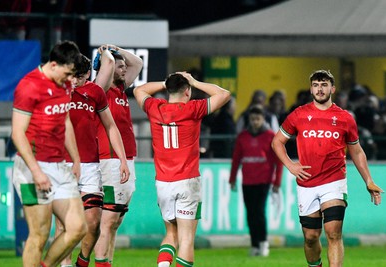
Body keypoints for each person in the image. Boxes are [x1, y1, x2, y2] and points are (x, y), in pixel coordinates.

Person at [271, 69, 384, 267]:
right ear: (311, 89)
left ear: (332, 88)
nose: (320, 89)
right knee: (311, 237)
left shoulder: (345, 118)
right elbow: (277, 142)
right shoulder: (299, 114)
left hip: (334, 182)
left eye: (324, 85)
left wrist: (369, 180)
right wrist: (290, 165)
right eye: (316, 85)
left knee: (333, 232)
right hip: (306, 183)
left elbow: (357, 151)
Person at [133, 72, 231, 267]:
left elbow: (138, 89)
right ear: (187, 91)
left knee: (171, 233)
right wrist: (195, 82)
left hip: (163, 182)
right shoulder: (193, 109)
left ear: (169, 89)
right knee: (186, 239)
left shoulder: (155, 108)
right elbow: (224, 94)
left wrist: (165, 82)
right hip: (187, 181)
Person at [11, 40, 87, 267]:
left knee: (77, 229)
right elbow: (17, 133)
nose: (70, 79)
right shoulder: (29, 86)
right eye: (67, 73)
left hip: (59, 165)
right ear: (53, 64)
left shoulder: (64, 85)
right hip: (31, 168)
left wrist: (76, 158)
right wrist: (36, 172)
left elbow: (65, 121)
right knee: (39, 235)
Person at [54, 47, 130, 267]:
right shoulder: (58, 90)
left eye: (79, 76)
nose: (75, 80)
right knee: (63, 225)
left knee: (94, 222)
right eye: (72, 75)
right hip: (62, 165)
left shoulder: (95, 92)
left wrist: (122, 159)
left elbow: (111, 126)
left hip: (89, 166)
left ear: (87, 74)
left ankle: (83, 260)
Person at [94, 45, 143, 266]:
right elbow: (110, 65)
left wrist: (117, 48)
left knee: (115, 222)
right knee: (108, 221)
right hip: (110, 160)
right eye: (120, 67)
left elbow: (138, 63)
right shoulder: (100, 91)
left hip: (126, 160)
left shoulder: (121, 90)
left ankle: (107, 262)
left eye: (124, 67)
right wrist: (106, 54)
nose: (124, 70)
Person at [229, 105, 282, 257]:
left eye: (258, 119)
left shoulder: (271, 136)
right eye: (252, 119)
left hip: (264, 180)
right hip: (247, 181)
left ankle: (263, 243)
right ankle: (254, 245)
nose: (255, 122)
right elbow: (236, 158)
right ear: (249, 120)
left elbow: (278, 161)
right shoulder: (243, 137)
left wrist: (277, 182)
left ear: (263, 119)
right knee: (250, 213)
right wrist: (232, 179)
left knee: (259, 212)